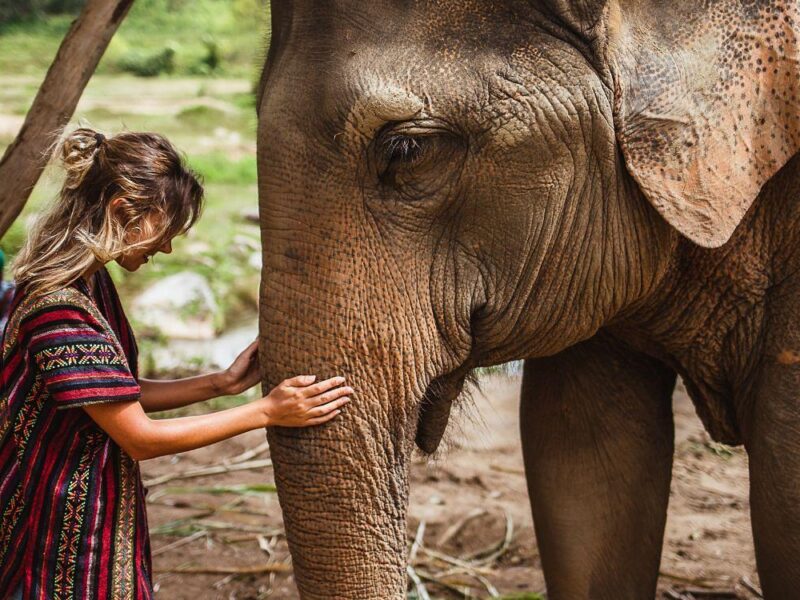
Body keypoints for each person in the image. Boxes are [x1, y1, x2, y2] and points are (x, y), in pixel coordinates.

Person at [0, 128, 352, 600]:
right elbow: (139, 437)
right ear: (123, 212)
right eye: (163, 232)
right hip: (61, 536)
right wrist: (265, 412)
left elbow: (114, 393)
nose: (164, 249)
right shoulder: (59, 310)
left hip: (87, 510)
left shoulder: (86, 281)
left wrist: (219, 383)